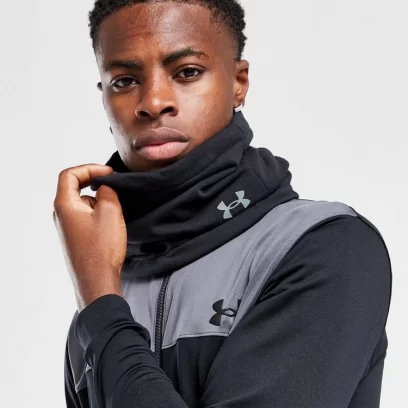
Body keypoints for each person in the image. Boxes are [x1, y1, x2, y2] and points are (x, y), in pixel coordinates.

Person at [53, 1, 392, 407]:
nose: (154, 102)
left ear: (239, 83)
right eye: (124, 81)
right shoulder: (106, 290)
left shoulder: (327, 245)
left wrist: (99, 303)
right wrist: (101, 299)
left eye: (187, 72)